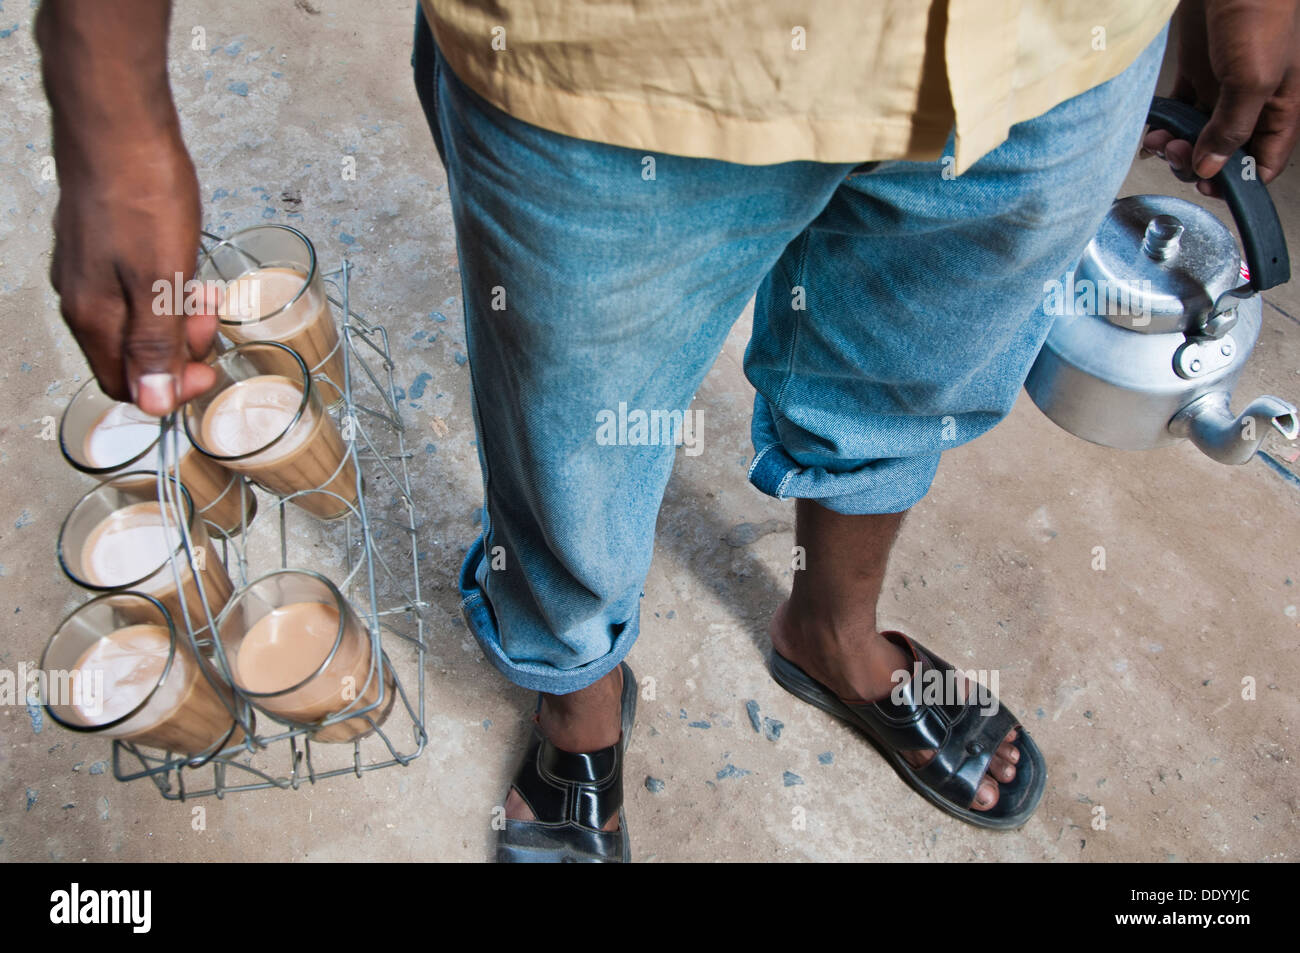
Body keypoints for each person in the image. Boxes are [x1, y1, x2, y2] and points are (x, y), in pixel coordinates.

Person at [38, 0, 1300, 862]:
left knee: (915, 370)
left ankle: (831, 629)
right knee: (569, 436)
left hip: (1052, 45)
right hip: (629, 62)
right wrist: (109, 94)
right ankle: (579, 705)